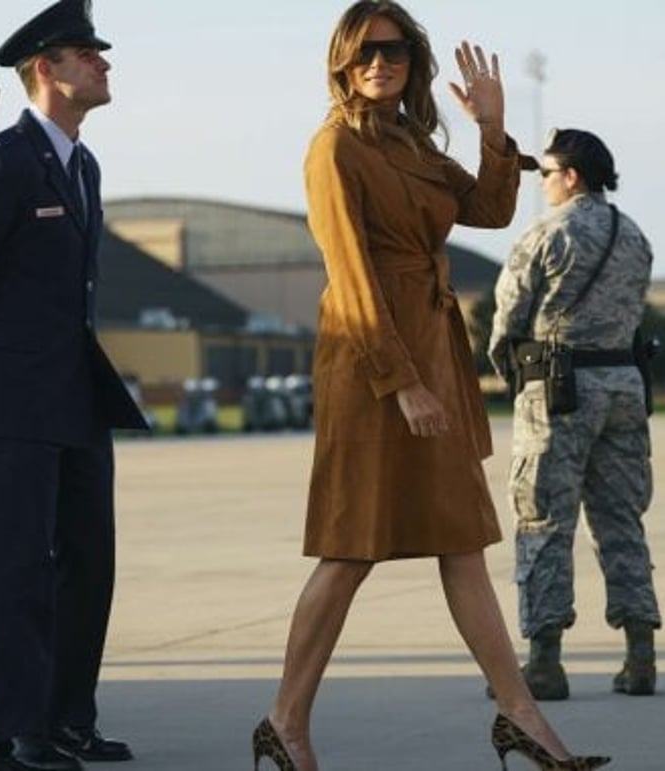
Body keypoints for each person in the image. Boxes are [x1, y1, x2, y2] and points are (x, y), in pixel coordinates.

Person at [252, 3, 609, 770]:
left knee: (462, 540)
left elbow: (485, 206)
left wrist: (491, 124)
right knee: (350, 548)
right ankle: (285, 723)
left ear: (412, 63)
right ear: (341, 64)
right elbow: (349, 276)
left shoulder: (409, 141)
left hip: (431, 352)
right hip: (371, 365)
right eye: (363, 53)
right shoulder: (334, 149)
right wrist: (401, 382)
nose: (378, 63)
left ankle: (521, 717)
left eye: (393, 52)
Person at [0, 1, 148, 769]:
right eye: (88, 53)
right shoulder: (1, 161)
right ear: (46, 68)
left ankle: (67, 719)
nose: (104, 63)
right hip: (9, 400)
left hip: (75, 398)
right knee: (17, 567)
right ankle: (13, 734)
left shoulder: (81, 164)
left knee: (90, 561)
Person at [487, 128, 662, 704]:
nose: (543, 184)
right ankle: (640, 656)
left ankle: (544, 662)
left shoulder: (547, 233)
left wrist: (515, 377)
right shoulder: (634, 236)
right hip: (625, 389)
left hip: (559, 389)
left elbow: (508, 322)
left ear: (572, 176)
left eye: (547, 173)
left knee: (542, 521)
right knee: (620, 520)